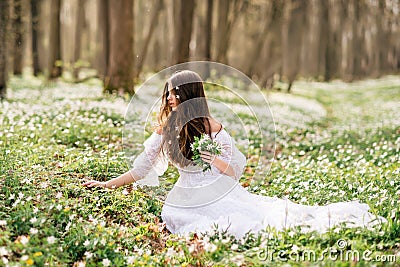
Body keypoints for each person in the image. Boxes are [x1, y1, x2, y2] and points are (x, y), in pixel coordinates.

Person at [83, 70, 385, 238]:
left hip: (220, 192)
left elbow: (232, 170)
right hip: (184, 196)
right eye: (169, 93)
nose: (171, 98)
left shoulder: (214, 128)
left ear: (191, 95)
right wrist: (105, 185)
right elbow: (141, 169)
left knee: (248, 219)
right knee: (176, 213)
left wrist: (212, 158)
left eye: (177, 92)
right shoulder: (164, 130)